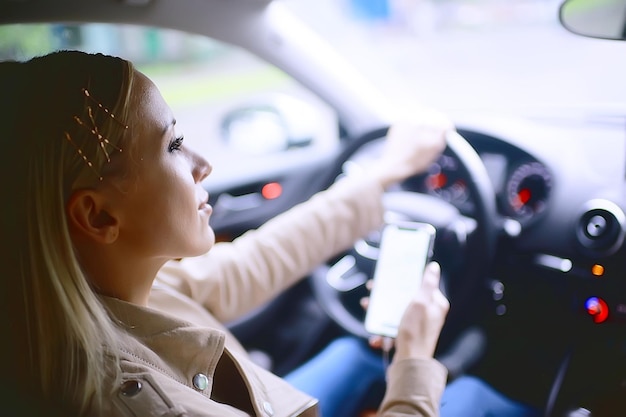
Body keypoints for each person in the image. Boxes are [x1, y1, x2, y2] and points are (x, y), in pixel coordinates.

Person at [0, 50, 451, 416]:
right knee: (475, 400)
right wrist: (414, 365)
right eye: (173, 145)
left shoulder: (110, 293)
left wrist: (384, 172)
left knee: (360, 355)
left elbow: (253, 263)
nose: (203, 163)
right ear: (98, 218)